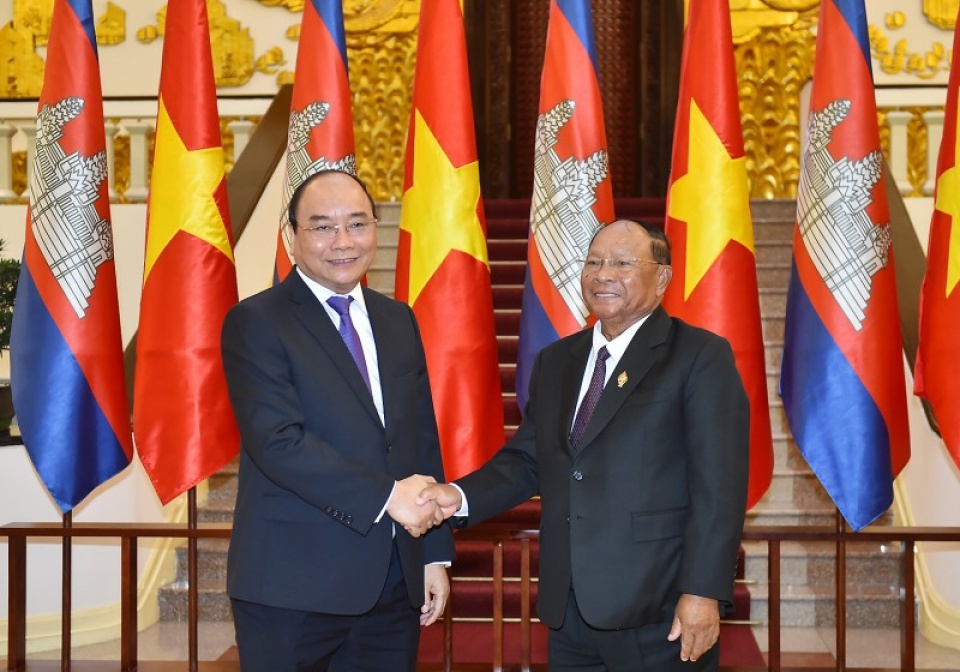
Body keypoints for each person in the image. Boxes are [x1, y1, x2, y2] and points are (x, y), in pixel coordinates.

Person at [419, 219, 749, 671]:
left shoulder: (698, 356)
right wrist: (457, 496)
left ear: (663, 277)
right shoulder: (557, 360)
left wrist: (703, 591)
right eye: (593, 262)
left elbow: (720, 488)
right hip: (568, 609)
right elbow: (528, 460)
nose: (602, 274)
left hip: (658, 609)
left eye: (622, 263)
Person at [221, 169, 453, 672]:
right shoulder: (256, 322)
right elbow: (279, 443)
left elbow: (418, 440)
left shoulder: (397, 320)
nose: (343, 242)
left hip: (393, 586)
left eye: (357, 224)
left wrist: (434, 552)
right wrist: (390, 498)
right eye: (322, 226)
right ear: (292, 237)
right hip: (291, 590)